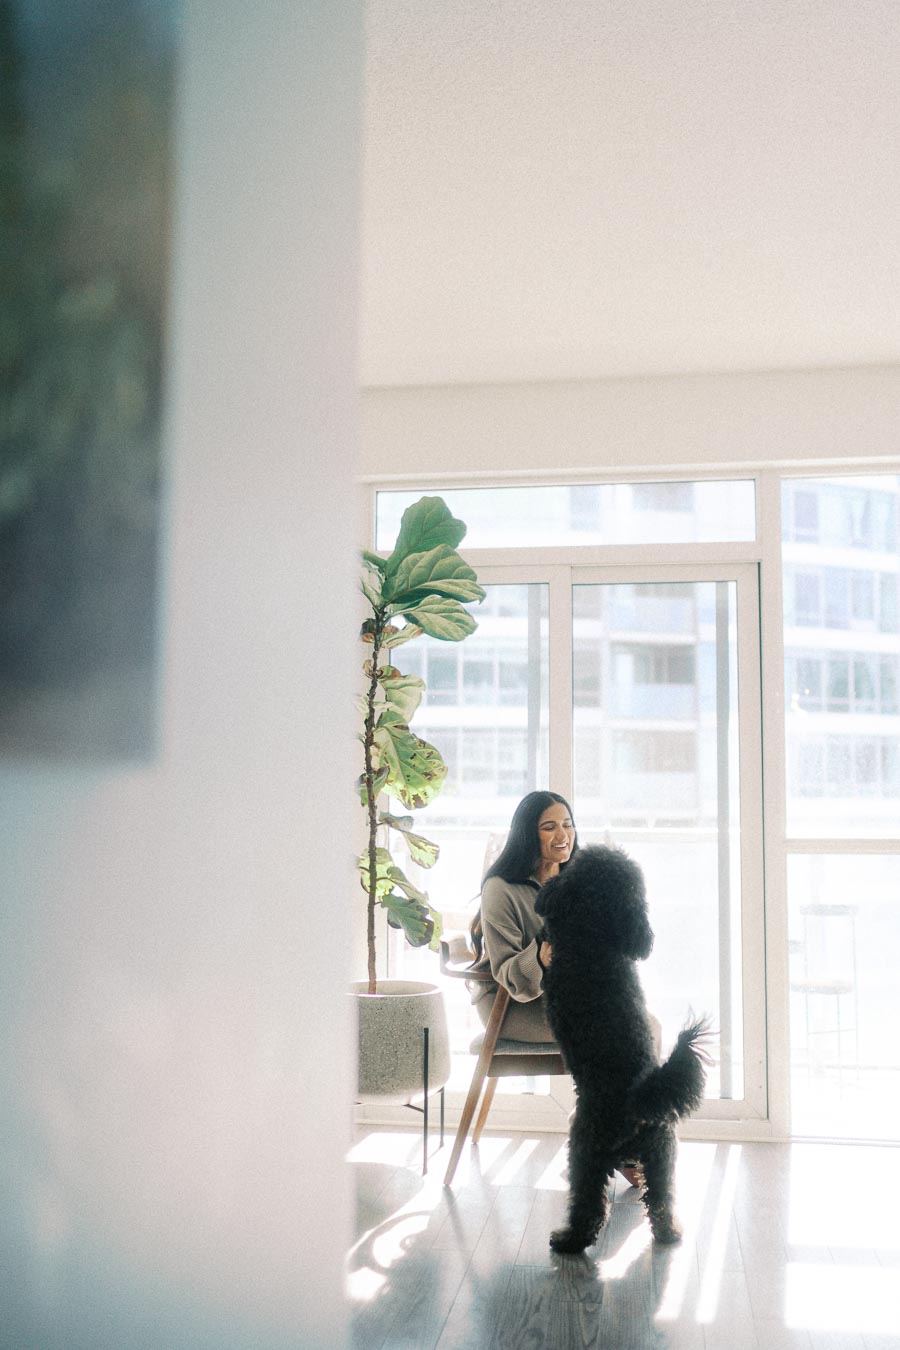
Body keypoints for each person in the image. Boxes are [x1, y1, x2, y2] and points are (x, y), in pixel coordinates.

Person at [467, 790, 577, 1042]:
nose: (562, 835)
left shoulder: (578, 879)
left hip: (567, 995)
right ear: (528, 835)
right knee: (624, 1033)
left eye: (567, 825)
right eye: (549, 827)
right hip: (509, 1006)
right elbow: (508, 973)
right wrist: (539, 956)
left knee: (647, 1026)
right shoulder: (500, 888)